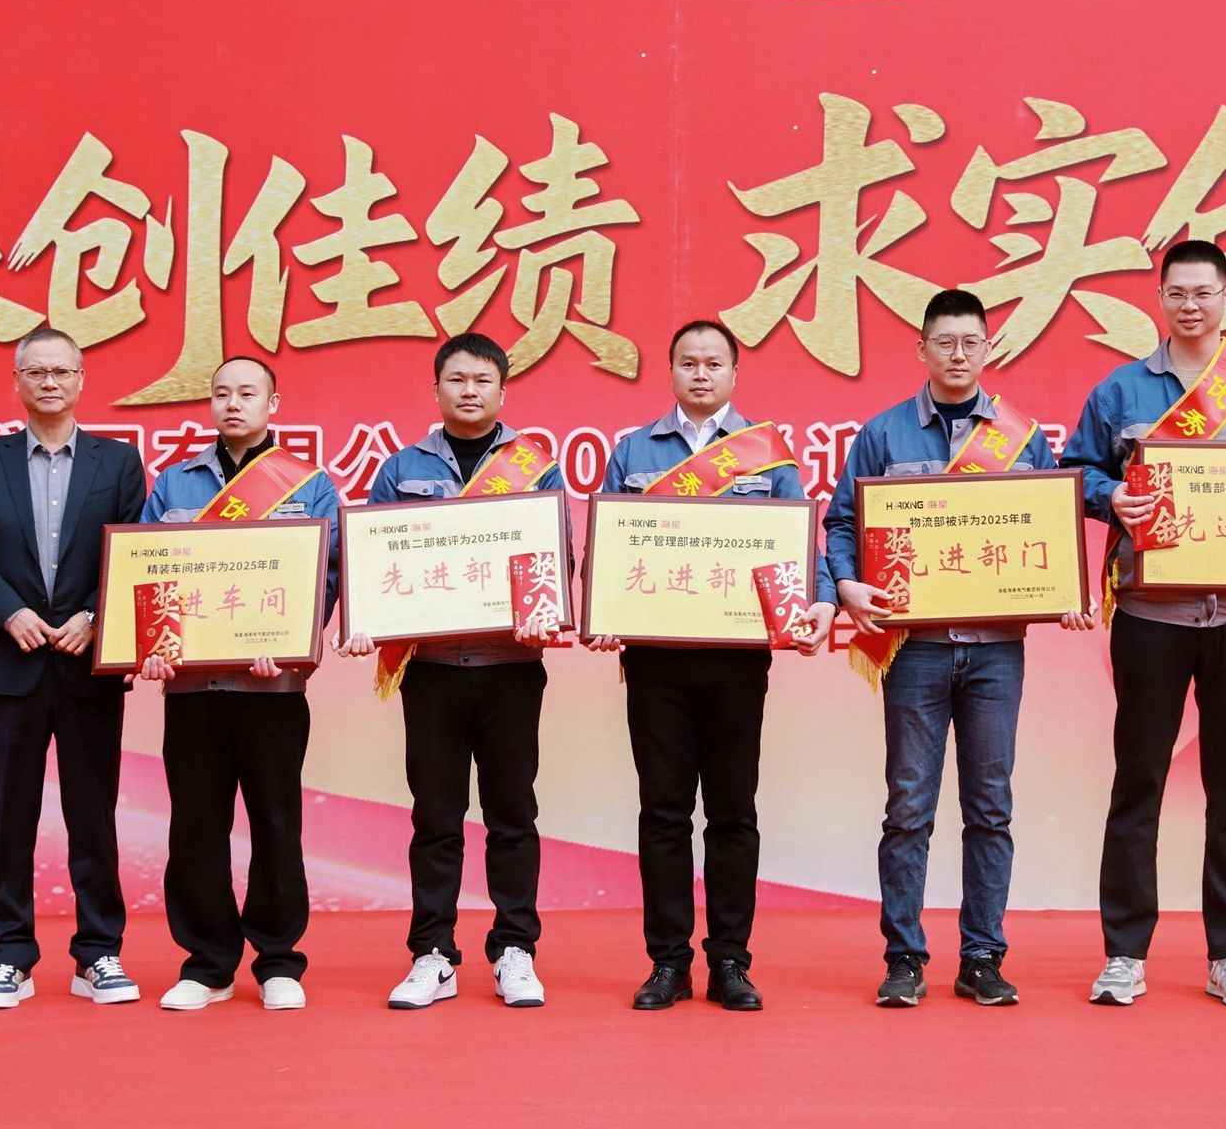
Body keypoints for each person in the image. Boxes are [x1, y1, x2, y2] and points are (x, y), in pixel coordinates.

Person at [826, 288, 1097, 1008]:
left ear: (987, 348)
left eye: (969, 342)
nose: (956, 354)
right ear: (921, 349)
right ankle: (903, 957)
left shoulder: (1021, 438)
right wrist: (847, 584)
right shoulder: (883, 434)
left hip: (995, 651)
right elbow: (843, 523)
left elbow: (1050, 527)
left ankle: (981, 956)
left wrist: (1066, 591)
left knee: (990, 807)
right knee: (907, 808)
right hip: (912, 648)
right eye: (943, 342)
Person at [1060, 239, 1226, 1009]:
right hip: (1149, 613)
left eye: (1204, 292)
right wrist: (1109, 498)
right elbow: (1073, 470)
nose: (1190, 305)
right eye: (1177, 293)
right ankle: (1124, 952)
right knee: (1138, 782)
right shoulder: (1121, 390)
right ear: (1160, 298)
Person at [588, 320, 837, 1012]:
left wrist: (818, 601)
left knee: (732, 813)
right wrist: (599, 608)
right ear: (670, 370)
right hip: (655, 662)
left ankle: (730, 959)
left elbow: (802, 540)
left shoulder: (766, 452)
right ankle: (667, 961)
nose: (701, 374)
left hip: (736, 662)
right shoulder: (633, 451)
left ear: (733, 373)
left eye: (713, 363)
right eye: (688, 363)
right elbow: (607, 545)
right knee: (663, 813)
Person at [347, 333, 565, 1011]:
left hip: (510, 666)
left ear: (502, 390)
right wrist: (365, 616)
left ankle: (515, 949)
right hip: (433, 671)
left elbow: (556, 558)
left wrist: (545, 609)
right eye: (456, 379)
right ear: (436, 388)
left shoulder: (536, 468)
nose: (469, 391)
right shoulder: (400, 468)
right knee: (436, 817)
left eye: (482, 380)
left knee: (512, 814)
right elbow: (374, 561)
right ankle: (432, 954)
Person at [0, 326, 147, 1009]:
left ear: (81, 380)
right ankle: (9, 955)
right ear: (18, 382)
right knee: (9, 816)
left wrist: (94, 615)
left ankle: (99, 952)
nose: (50, 382)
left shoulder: (118, 461)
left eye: (62, 371)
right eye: (36, 372)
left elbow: (134, 547)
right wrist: (8, 613)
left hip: (87, 664)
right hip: (12, 663)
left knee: (93, 814)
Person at [136, 356, 340, 1012]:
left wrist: (291, 642)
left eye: (247, 393)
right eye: (222, 393)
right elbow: (149, 570)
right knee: (196, 827)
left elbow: (328, 576)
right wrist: (154, 644)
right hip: (191, 691)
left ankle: (278, 961)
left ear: (272, 403)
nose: (233, 404)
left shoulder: (308, 485)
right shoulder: (174, 484)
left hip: (272, 690)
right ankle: (207, 964)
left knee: (277, 824)